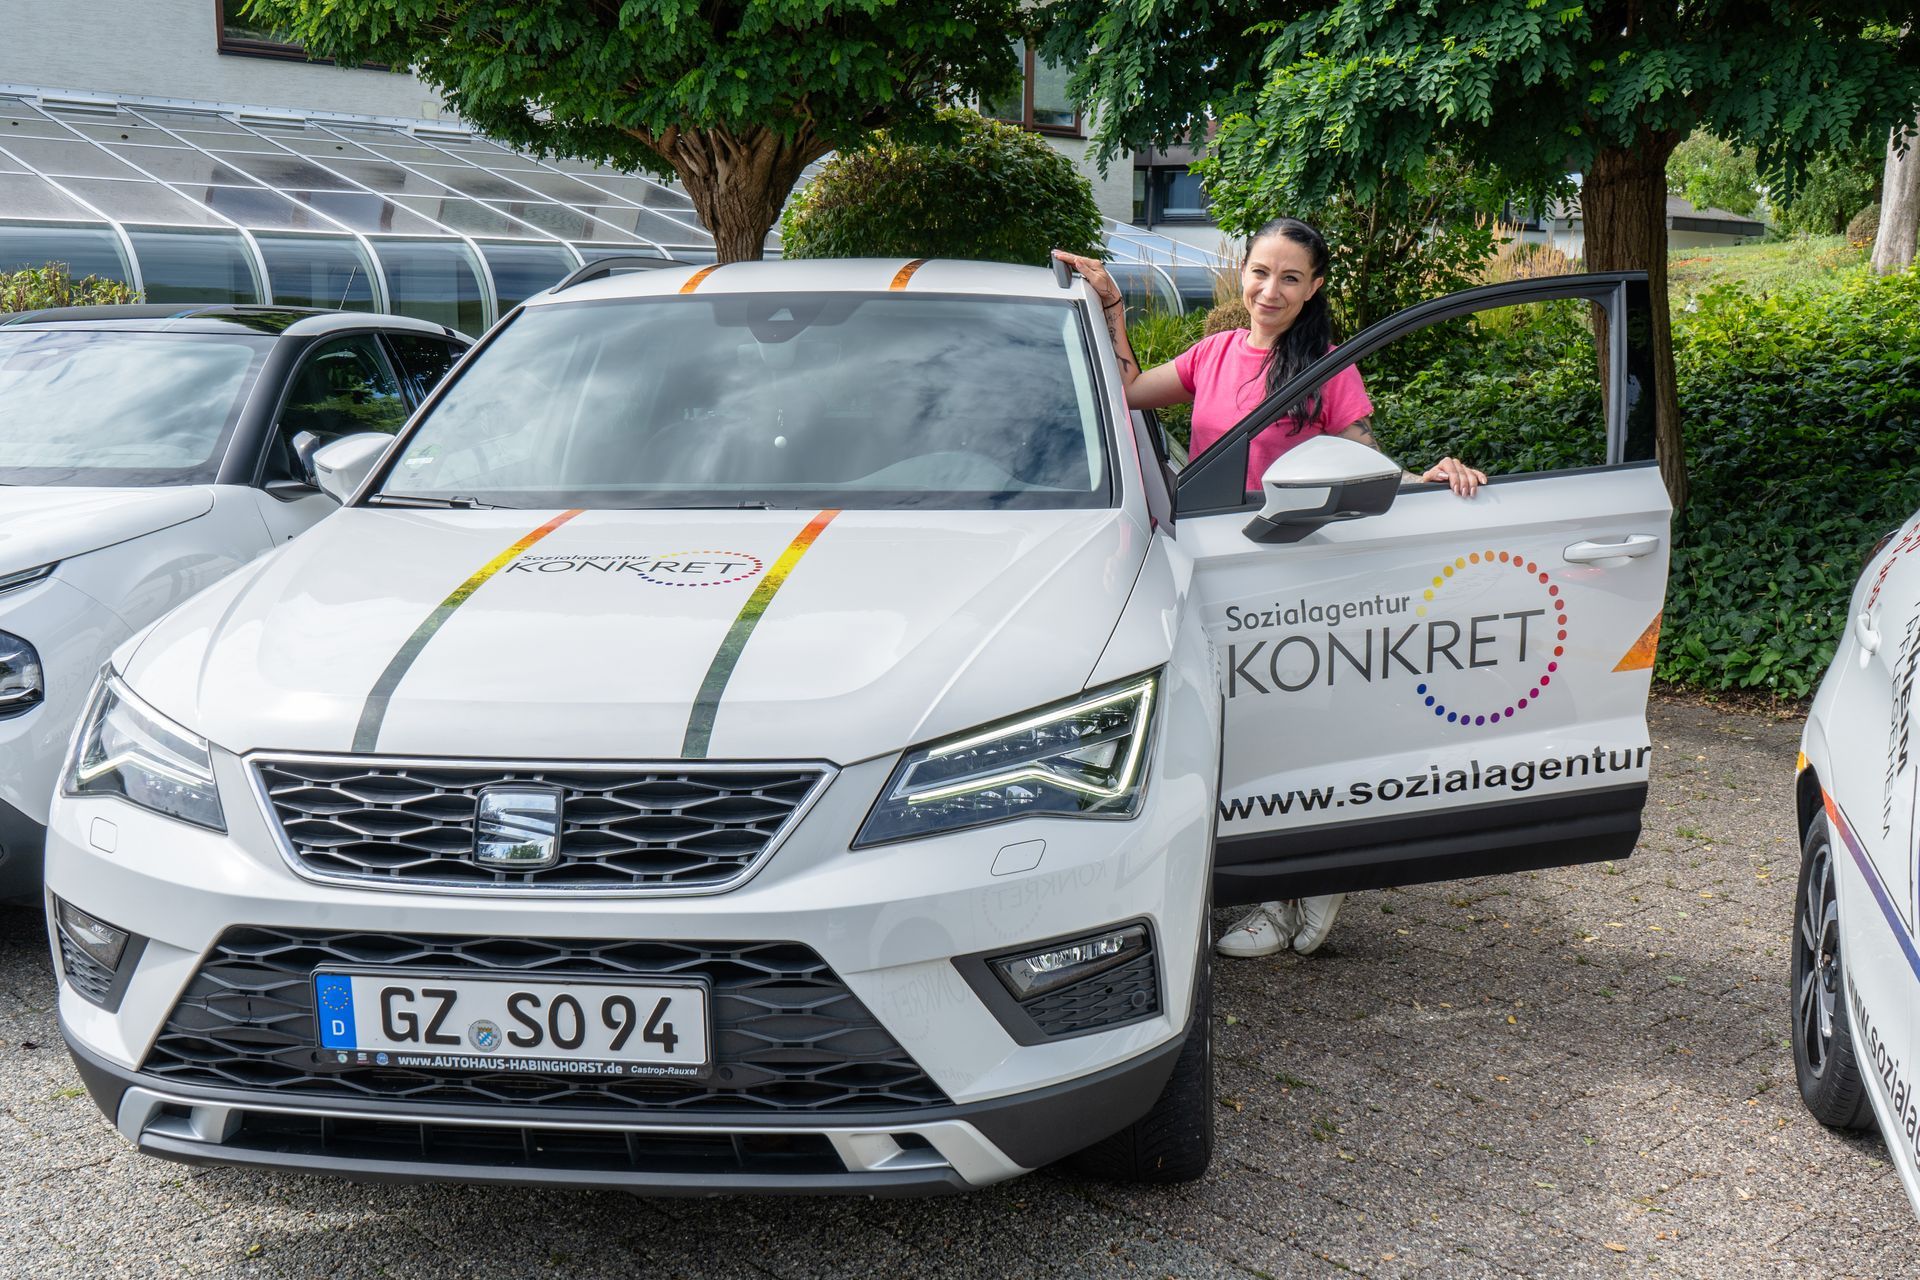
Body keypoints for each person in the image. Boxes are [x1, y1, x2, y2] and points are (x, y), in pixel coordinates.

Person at [1054, 217, 1486, 959]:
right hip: (1215, 568)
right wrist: (1114, 306)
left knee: (1287, 733)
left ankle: (1303, 885)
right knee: (1228, 735)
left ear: (1314, 287)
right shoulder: (1213, 354)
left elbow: (1365, 461)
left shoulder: (1323, 368)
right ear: (1241, 273)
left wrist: (1433, 478)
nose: (1271, 289)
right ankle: (1282, 892)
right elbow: (1126, 392)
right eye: (1260, 271)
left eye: (1291, 277)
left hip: (1294, 573)